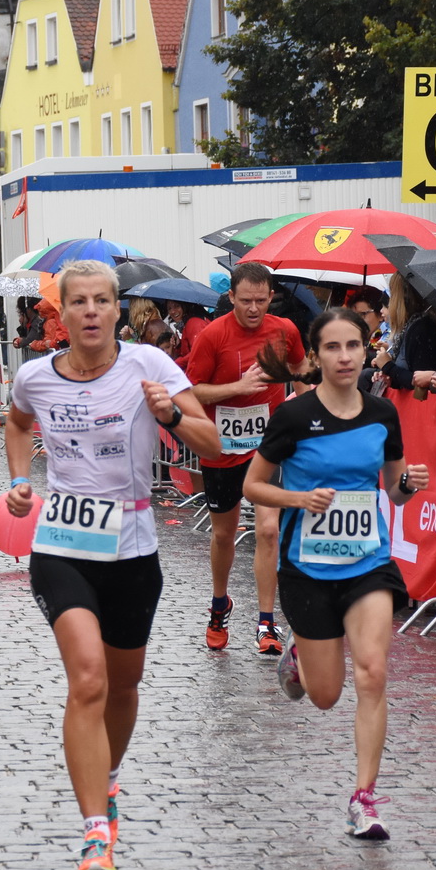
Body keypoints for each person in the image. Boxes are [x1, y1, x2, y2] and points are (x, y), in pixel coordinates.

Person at [3, 259, 220, 870]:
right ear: (62, 313)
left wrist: (174, 416)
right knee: (89, 681)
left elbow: (214, 446)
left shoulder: (149, 366)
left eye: (103, 301)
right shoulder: (36, 376)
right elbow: (17, 422)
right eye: (80, 303)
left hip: (133, 546)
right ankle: (95, 830)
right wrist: (21, 481)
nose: (92, 312)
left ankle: (110, 777)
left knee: (124, 686)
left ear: (117, 311)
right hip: (63, 543)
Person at [241, 307, 429, 840]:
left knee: (372, 672)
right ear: (316, 356)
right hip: (307, 568)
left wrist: (410, 485)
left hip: (368, 562)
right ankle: (301, 659)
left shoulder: (381, 414)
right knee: (325, 695)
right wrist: (298, 496)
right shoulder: (294, 418)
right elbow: (254, 486)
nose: (345, 356)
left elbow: (392, 489)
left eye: (353, 345)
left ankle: (364, 798)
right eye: (333, 347)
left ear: (366, 350)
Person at [186, 260, 308, 655]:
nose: (253, 309)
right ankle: (220, 604)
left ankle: (266, 622)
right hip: (221, 447)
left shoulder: (285, 330)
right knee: (224, 534)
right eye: (245, 302)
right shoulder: (212, 336)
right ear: (230, 297)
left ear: (271, 297)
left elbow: (300, 370)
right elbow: (192, 393)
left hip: (266, 447)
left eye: (260, 300)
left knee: (268, 529)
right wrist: (238, 387)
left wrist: (314, 411)